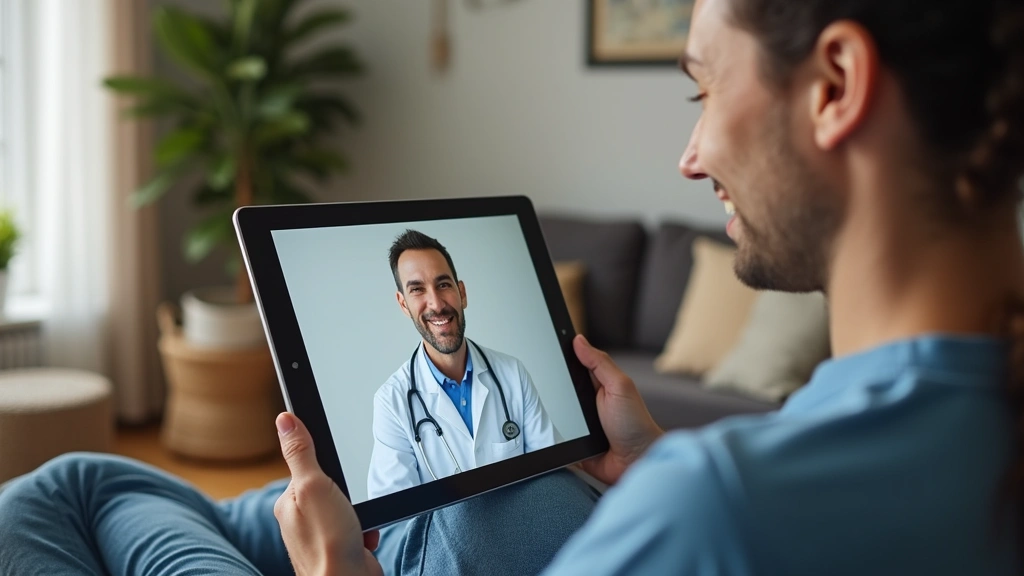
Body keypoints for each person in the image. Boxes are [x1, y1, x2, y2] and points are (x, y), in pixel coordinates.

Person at [1, 0, 1023, 573]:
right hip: (467, 514)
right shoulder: (957, 435)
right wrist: (648, 466)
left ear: (834, 86)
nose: (690, 153)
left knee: (76, 491)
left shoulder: (717, 511)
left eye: (704, 88)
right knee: (96, 486)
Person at [366, 230, 559, 499]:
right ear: (404, 304)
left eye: (443, 284)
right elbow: (397, 516)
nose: (436, 304)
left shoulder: (512, 374)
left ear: (462, 293)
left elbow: (554, 476)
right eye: (417, 289)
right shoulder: (391, 402)